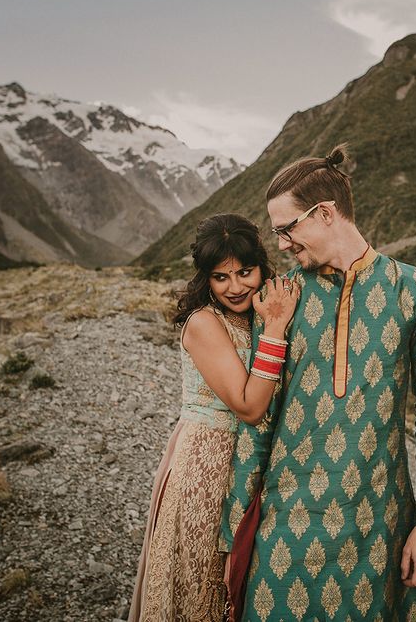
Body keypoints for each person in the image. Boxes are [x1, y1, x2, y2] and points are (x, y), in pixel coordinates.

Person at [220, 145, 416, 621]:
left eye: (286, 230)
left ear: (325, 213)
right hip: (286, 522)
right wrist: (235, 532)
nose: (282, 245)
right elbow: (259, 418)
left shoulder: (413, 289)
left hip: (381, 524)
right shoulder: (280, 296)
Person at [129, 213, 300, 622]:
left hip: (255, 463)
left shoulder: (258, 311)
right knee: (203, 582)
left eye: (245, 272)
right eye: (221, 277)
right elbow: (249, 406)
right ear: (205, 278)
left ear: (261, 266)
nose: (236, 287)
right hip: (207, 462)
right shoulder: (205, 323)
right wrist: (276, 329)